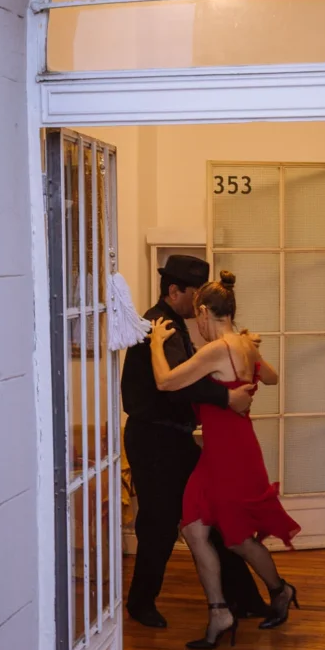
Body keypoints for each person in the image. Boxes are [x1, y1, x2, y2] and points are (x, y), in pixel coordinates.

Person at [149, 270, 301, 650]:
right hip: (223, 453)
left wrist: (155, 343)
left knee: (236, 539)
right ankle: (220, 611)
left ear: (203, 312)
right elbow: (273, 378)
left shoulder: (217, 349)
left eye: (197, 319)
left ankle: (280, 590)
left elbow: (166, 382)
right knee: (196, 530)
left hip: (231, 455)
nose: (196, 326)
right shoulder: (244, 344)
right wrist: (251, 351)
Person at [121, 255, 268, 629]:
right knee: (159, 521)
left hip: (172, 438)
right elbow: (172, 386)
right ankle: (141, 603)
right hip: (154, 439)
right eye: (195, 294)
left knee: (213, 511)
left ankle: (244, 599)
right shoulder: (159, 324)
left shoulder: (175, 324)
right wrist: (226, 399)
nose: (200, 302)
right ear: (175, 291)